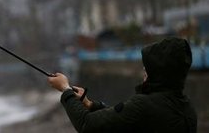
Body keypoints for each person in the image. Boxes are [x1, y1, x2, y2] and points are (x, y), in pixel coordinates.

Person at [48, 37, 197, 132]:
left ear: (159, 72)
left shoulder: (143, 105)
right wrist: (90, 104)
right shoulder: (187, 108)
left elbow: (87, 125)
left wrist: (65, 89)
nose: (144, 73)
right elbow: (127, 119)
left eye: (147, 70)